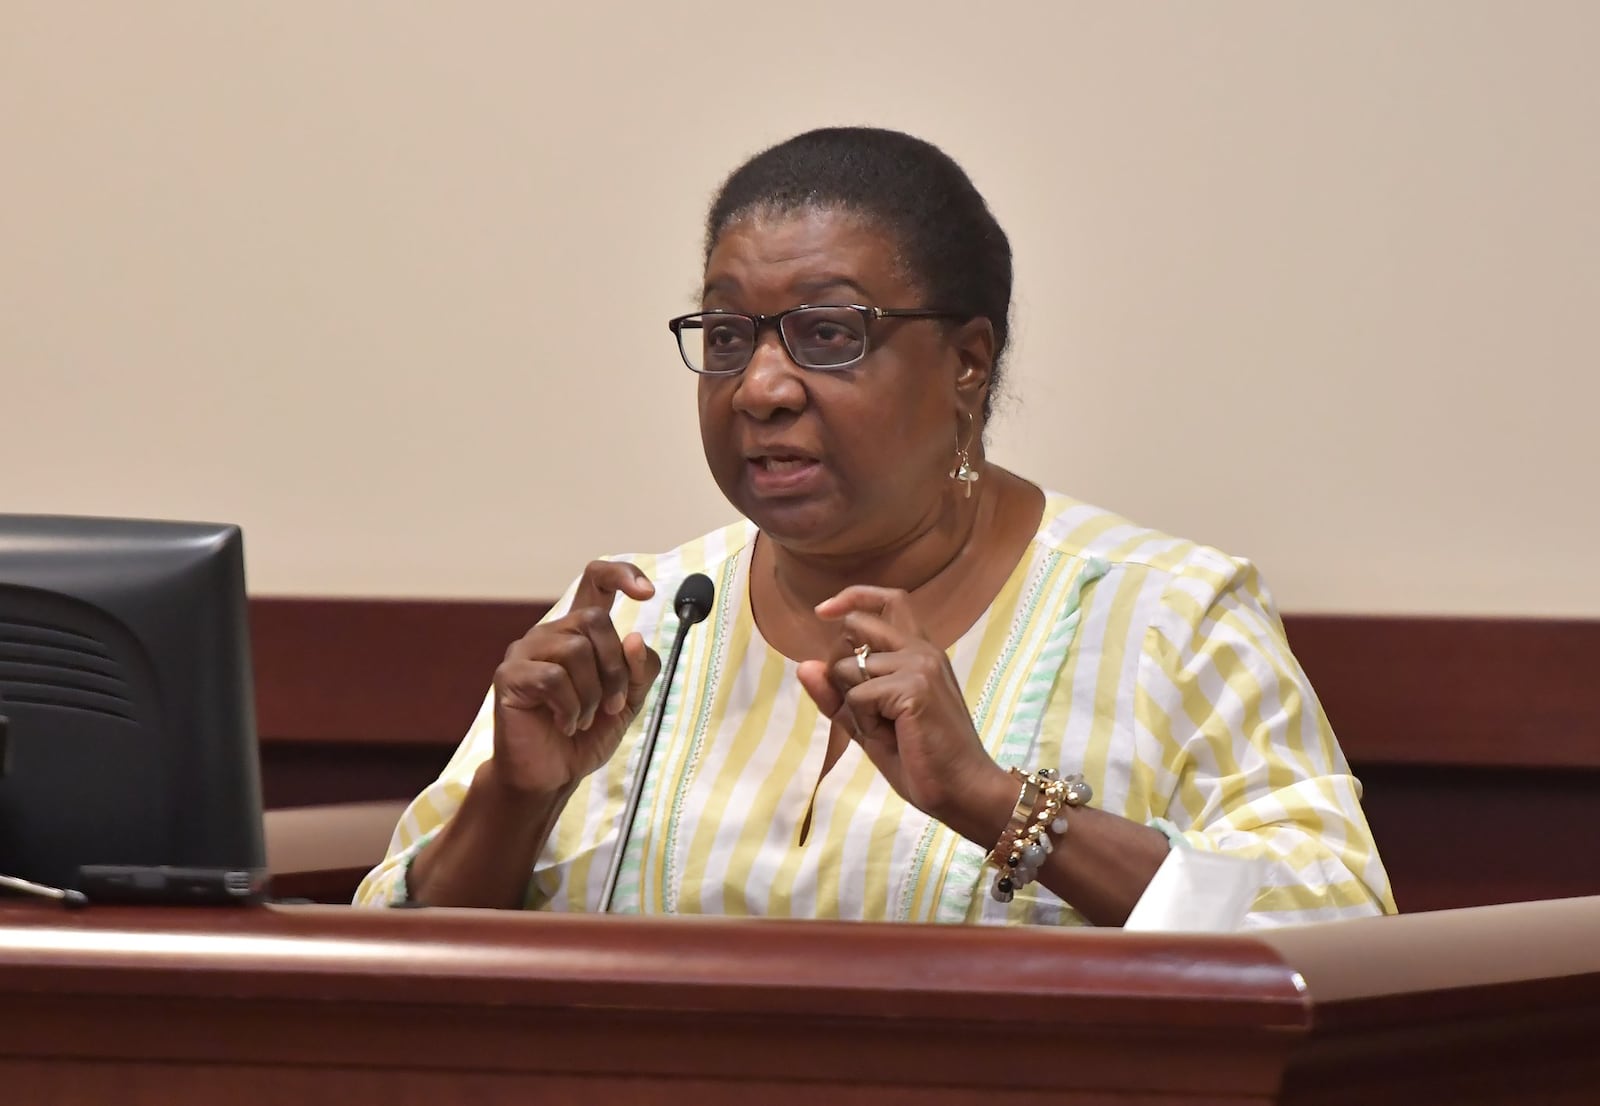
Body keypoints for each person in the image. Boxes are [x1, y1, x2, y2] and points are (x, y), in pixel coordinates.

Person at [356, 127, 1394, 927]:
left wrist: (995, 800)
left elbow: (1331, 929)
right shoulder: (646, 620)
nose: (759, 385)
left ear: (968, 363)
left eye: (827, 333)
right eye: (727, 333)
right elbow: (393, 978)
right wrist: (514, 798)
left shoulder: (1167, 616)